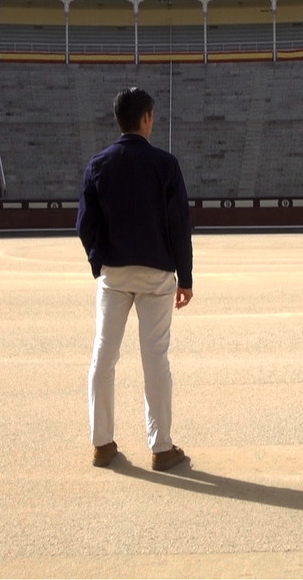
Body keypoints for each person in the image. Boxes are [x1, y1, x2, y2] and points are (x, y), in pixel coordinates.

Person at [77, 87, 194, 472]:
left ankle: (101, 444)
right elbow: (179, 226)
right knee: (155, 359)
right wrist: (185, 277)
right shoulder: (165, 164)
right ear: (145, 118)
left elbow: (85, 225)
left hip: (114, 273)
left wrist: (99, 263)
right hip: (157, 273)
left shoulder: (99, 163)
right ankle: (161, 447)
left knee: (103, 355)